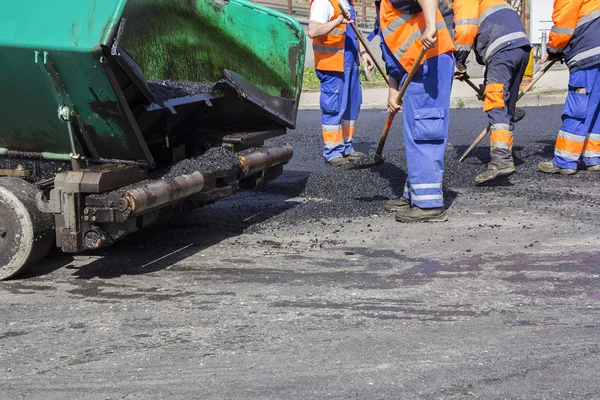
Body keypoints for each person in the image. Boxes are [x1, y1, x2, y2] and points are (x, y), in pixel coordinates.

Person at [376, 0, 455, 222]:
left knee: (425, 127)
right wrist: (393, 88)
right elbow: (391, 52)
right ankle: (414, 193)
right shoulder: (383, 6)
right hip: (415, 66)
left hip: (430, 61)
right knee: (414, 129)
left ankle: (428, 204)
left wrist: (431, 25)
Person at [453, 0, 531, 184]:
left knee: (496, 102)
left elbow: (465, 30)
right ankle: (506, 158)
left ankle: (501, 160)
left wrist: (459, 62)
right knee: (506, 106)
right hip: (521, 48)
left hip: (501, 49)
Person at [309, 0, 375, 166]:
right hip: (332, 65)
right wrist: (338, 20)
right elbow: (313, 30)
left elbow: (353, 33)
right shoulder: (324, 3)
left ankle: (346, 146)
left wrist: (364, 52)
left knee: (352, 105)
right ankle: (332, 151)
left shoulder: (349, 4)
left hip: (350, 63)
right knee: (334, 107)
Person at [537, 0, 600, 175]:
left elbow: (563, 26)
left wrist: (554, 50)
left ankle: (565, 161)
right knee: (596, 107)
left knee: (578, 106)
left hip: (588, 54)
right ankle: (593, 157)